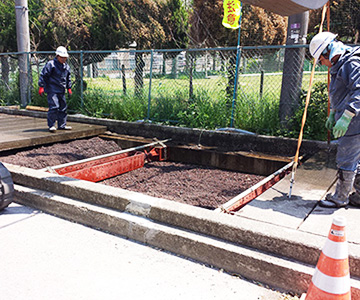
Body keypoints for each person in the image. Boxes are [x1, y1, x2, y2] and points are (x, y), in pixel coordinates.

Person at [309, 32, 360, 208]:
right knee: (356, 159)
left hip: (355, 121)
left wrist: (346, 116)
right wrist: (333, 113)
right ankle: (359, 196)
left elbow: (359, 91)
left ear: (328, 52)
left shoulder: (351, 64)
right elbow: (340, 93)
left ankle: (340, 198)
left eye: (321, 60)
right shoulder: (340, 65)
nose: (322, 64)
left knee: (347, 158)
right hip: (352, 119)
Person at [38, 46, 72, 133]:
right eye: (62, 57)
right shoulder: (51, 64)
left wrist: (69, 88)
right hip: (52, 90)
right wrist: (41, 86)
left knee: (63, 107)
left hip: (61, 90)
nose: (64, 59)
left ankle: (62, 125)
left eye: (65, 58)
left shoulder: (66, 66)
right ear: (57, 56)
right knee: (54, 107)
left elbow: (68, 78)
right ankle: (51, 125)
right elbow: (44, 75)